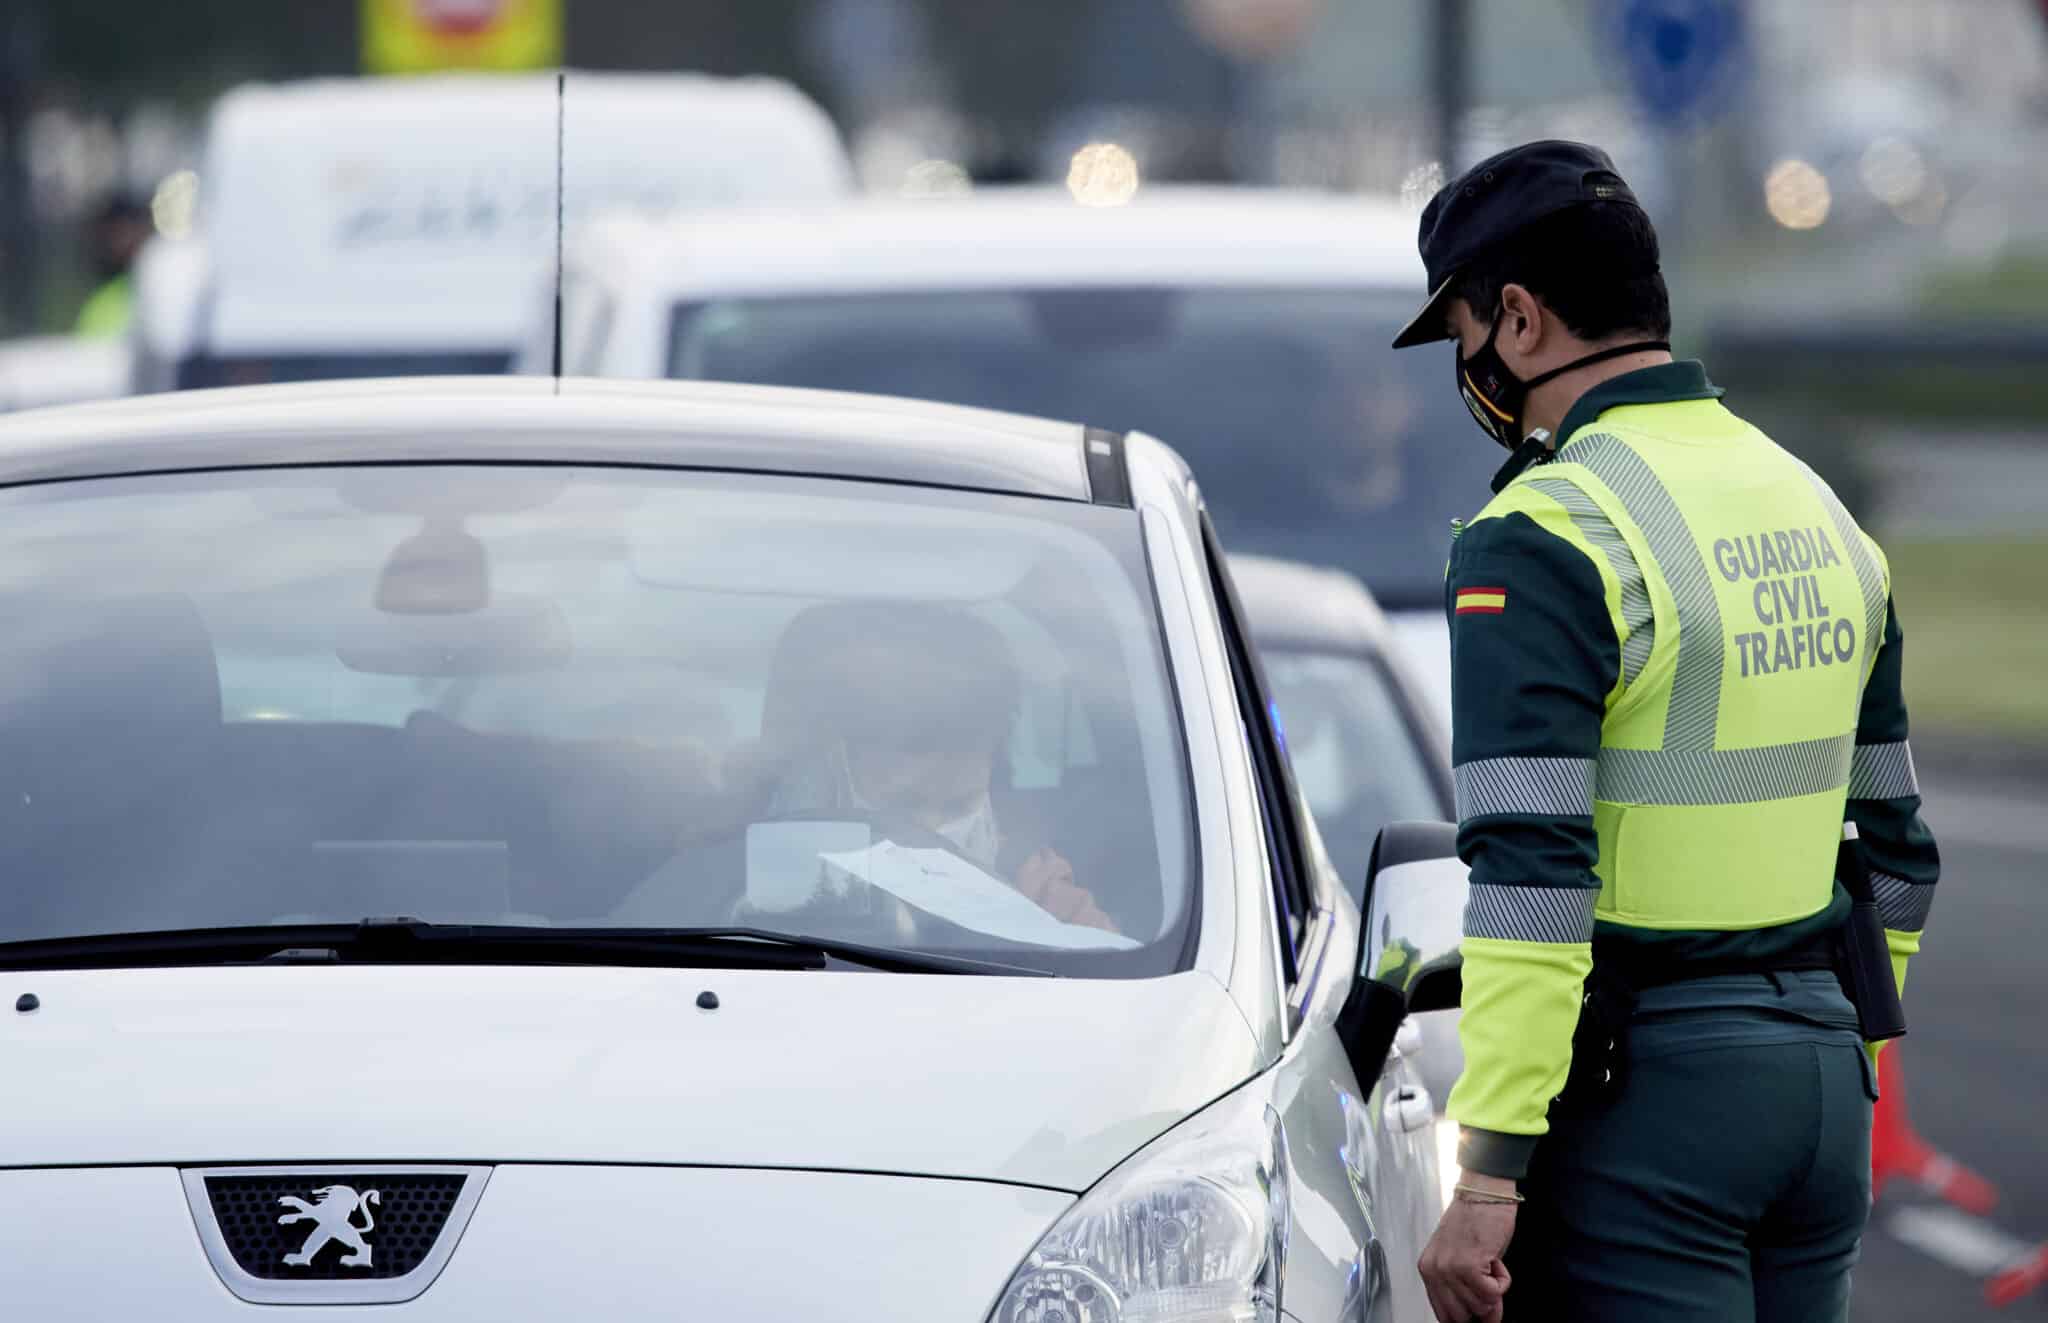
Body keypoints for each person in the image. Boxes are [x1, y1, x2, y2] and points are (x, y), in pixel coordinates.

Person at [1389, 141, 1940, 1323]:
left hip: (1653, 1101)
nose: (1472, 367)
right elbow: (1896, 852)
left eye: (1466, 336)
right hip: (1819, 1086)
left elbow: (1531, 876)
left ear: (1520, 320)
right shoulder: (1813, 508)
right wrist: (1847, 1067)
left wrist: (1487, 1171)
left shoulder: (1540, 537)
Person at [700, 599, 1117, 934]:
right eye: (903, 808)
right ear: (833, 767)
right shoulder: (725, 872)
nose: (932, 832)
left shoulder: (1039, 894)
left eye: (959, 806)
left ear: (992, 772)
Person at [73, 194, 151, 339]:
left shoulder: (162, 290)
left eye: (129, 230)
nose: (124, 241)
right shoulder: (99, 310)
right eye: (119, 233)